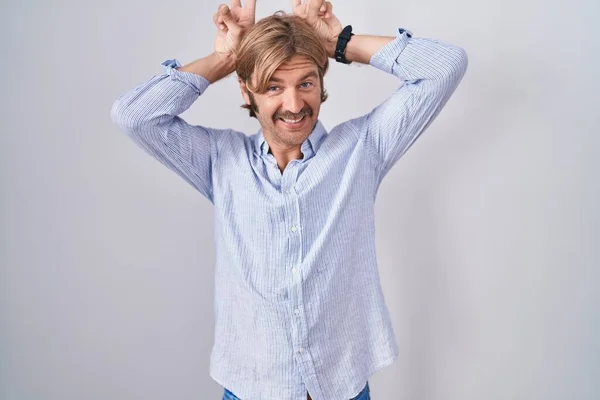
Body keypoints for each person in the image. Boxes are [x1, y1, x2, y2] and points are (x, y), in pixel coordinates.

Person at [110, 0, 468, 398]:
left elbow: (444, 65)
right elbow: (134, 115)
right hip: (252, 388)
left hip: (341, 386)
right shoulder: (220, 160)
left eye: (306, 83)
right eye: (274, 87)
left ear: (321, 83)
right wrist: (225, 58)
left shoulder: (362, 149)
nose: (295, 105)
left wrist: (339, 41)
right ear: (247, 91)